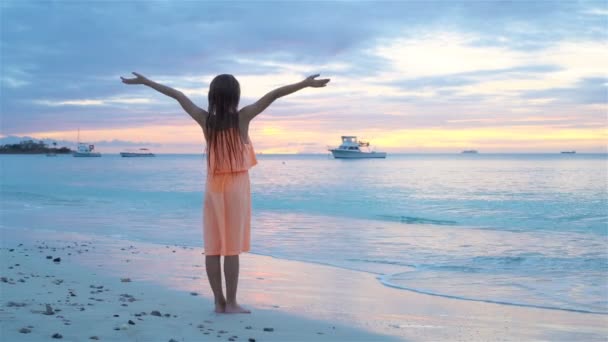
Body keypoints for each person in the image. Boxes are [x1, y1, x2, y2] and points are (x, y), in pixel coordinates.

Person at [121, 72, 330, 313]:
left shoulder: (205, 119)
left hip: (213, 188)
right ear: (236, 95)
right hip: (235, 188)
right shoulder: (243, 118)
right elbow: (274, 95)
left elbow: (178, 96)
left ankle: (218, 303)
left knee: (213, 247)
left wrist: (147, 82)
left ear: (212, 96)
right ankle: (231, 303)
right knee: (230, 248)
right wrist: (304, 84)